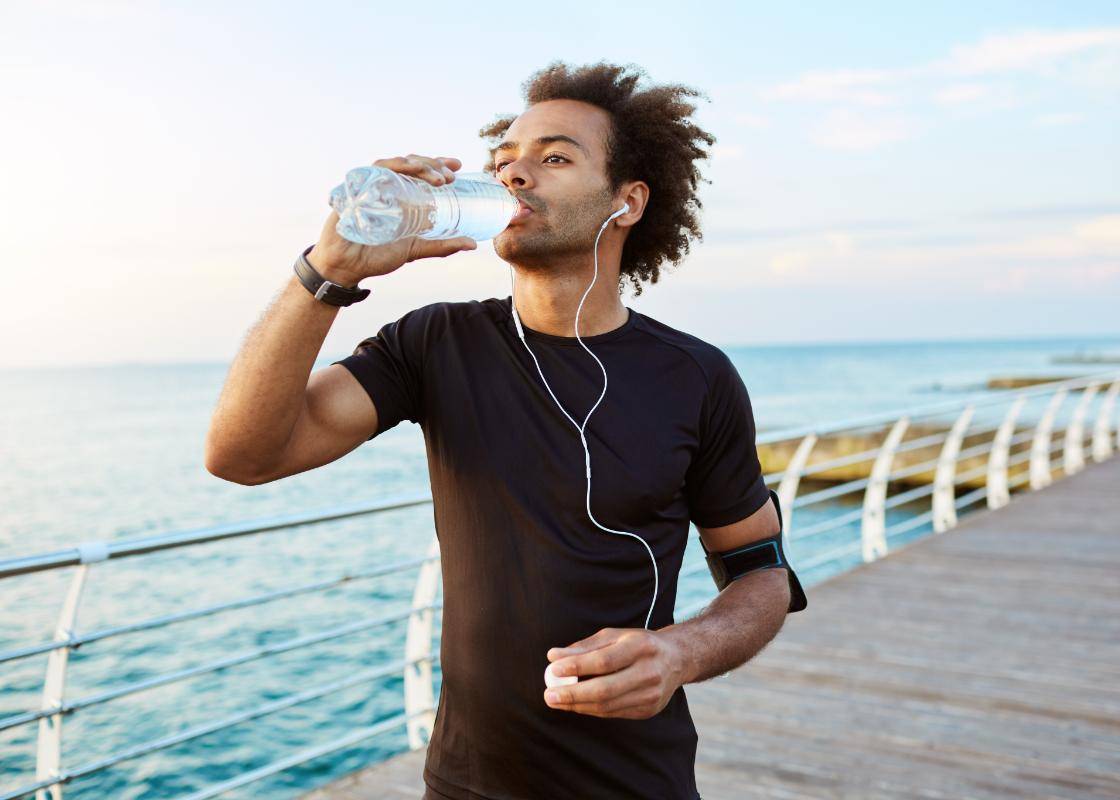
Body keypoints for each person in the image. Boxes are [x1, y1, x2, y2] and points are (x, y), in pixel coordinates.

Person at [205, 61, 802, 800]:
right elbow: (242, 455)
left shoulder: (696, 376)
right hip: (466, 783)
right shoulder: (433, 344)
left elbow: (760, 573)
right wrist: (328, 269)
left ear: (628, 201)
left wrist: (680, 652)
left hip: (635, 782)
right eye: (503, 162)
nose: (515, 175)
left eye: (554, 157)